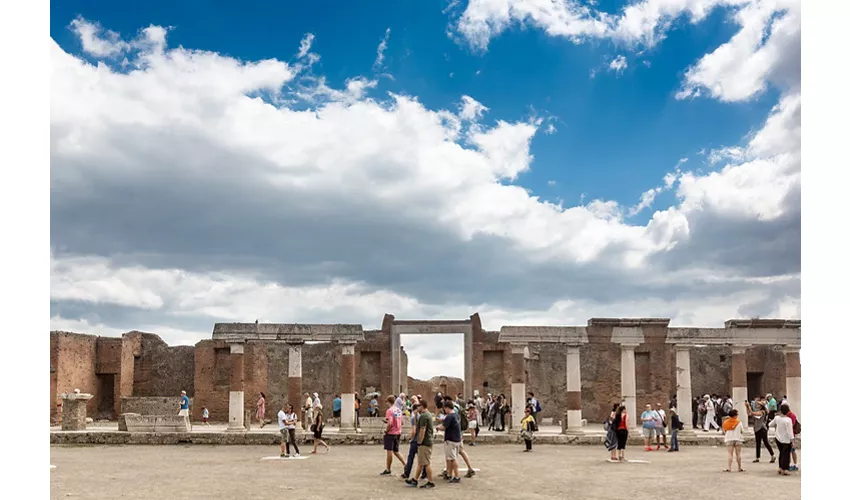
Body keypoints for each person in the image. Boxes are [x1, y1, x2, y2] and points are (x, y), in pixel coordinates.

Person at [406, 400, 436, 489]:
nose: (417, 408)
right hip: (428, 441)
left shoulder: (423, 416)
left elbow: (422, 430)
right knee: (421, 462)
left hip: (424, 442)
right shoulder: (428, 414)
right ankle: (415, 480)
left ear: (422, 406)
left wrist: (419, 442)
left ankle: (430, 481)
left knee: (426, 463)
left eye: (418, 406)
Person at [380, 395, 406, 475]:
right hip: (398, 432)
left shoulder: (389, 411)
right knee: (396, 451)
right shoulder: (398, 410)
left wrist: (386, 430)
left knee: (389, 451)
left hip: (391, 433)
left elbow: (390, 423)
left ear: (388, 402)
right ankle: (405, 464)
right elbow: (402, 422)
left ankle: (388, 469)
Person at [439, 401, 463, 482]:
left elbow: (443, 427)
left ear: (447, 408)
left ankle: (457, 476)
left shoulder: (450, 416)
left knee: (452, 459)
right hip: (457, 439)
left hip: (450, 439)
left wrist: (438, 427)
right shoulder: (456, 415)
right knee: (450, 458)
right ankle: (449, 474)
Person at [748, 397, 775, 464]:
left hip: (762, 428)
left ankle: (772, 455)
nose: (756, 405)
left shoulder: (762, 411)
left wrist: (748, 406)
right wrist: (746, 406)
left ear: (761, 406)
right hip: (757, 428)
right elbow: (749, 414)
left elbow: (753, 413)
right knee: (758, 443)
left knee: (766, 442)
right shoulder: (756, 411)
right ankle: (757, 457)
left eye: (758, 404)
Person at [769, 403, 794, 475]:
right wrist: (792, 440)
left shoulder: (777, 418)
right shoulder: (788, 420)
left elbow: (770, 424)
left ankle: (780, 467)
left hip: (778, 438)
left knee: (781, 453)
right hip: (786, 439)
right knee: (786, 455)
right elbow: (790, 431)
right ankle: (785, 469)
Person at [401, 404, 423, 480]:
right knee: (421, 458)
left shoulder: (414, 418)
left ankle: (407, 473)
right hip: (420, 440)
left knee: (411, 457)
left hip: (415, 440)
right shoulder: (421, 417)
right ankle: (424, 473)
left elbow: (413, 431)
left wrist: (411, 438)